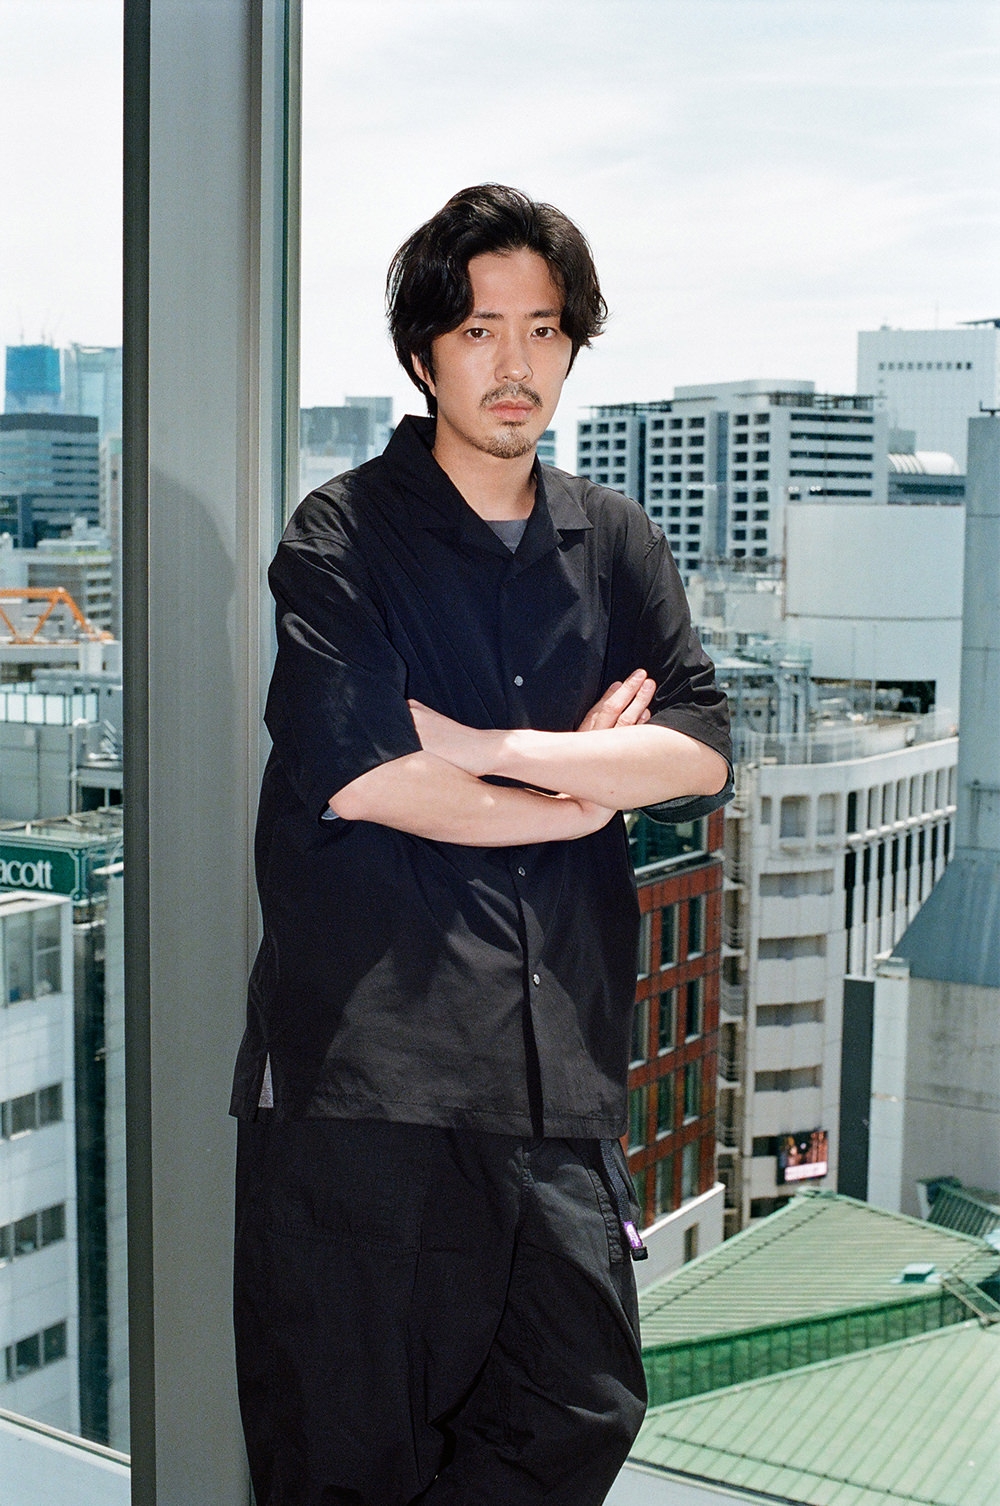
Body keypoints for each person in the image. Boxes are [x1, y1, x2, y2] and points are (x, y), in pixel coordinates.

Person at [231, 183, 733, 1506]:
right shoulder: (340, 534)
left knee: (581, 1405)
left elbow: (697, 751)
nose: (516, 364)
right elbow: (372, 779)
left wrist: (494, 746)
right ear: (424, 354)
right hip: (367, 1078)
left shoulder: (614, 541)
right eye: (478, 331)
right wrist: (585, 792)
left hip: (555, 1069)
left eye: (543, 330)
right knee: (347, 1455)